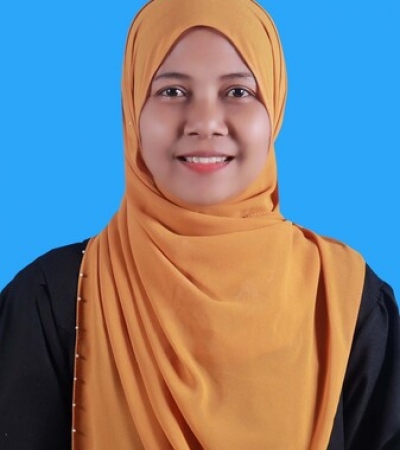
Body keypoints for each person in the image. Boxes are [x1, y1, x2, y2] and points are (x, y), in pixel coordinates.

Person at [0, 0, 399, 448]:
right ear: (133, 110)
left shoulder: (344, 299)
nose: (205, 123)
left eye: (238, 91)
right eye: (172, 91)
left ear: (275, 107)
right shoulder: (53, 300)